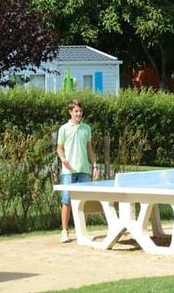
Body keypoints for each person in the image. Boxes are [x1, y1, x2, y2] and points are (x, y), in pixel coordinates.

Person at [57, 99, 99, 243]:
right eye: (76, 111)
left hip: (84, 171)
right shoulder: (63, 129)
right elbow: (59, 148)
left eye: (80, 111)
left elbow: (89, 149)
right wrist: (63, 159)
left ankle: (82, 232)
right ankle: (64, 232)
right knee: (66, 201)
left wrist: (94, 166)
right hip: (68, 172)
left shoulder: (86, 128)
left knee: (84, 203)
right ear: (70, 112)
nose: (78, 114)